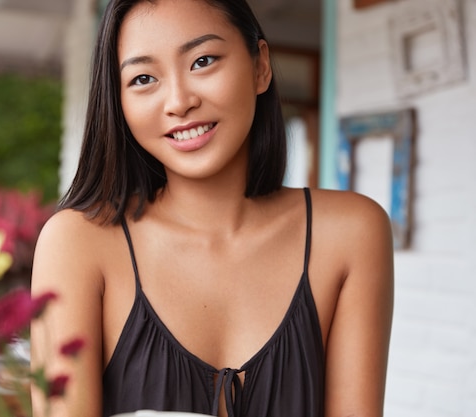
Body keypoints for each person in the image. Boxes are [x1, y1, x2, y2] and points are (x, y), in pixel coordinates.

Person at [30, 0, 394, 416]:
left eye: (203, 61)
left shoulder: (350, 234)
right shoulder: (78, 243)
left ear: (261, 66)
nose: (179, 101)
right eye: (143, 78)